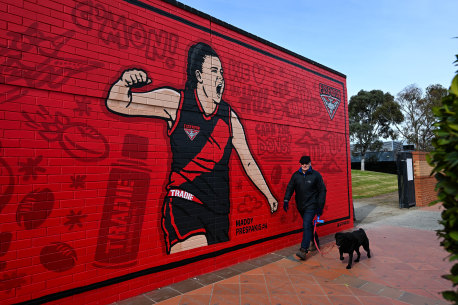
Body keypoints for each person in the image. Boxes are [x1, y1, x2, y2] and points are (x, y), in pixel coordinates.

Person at [106, 42, 278, 254]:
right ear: (198, 75)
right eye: (214, 71)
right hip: (183, 202)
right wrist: (124, 83)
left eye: (222, 73)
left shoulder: (229, 117)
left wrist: (269, 195)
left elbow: (248, 160)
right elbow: (119, 103)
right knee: (195, 256)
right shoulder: (176, 102)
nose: (220, 78)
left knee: (212, 268)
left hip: (218, 211)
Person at [283, 155, 326, 260]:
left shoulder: (316, 175)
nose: (304, 165)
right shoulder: (296, 175)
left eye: (306, 163)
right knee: (309, 226)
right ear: (300, 164)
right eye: (302, 164)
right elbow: (290, 188)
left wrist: (320, 206)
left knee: (306, 224)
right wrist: (286, 200)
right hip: (301, 205)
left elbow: (322, 191)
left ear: (310, 163)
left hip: (311, 205)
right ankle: (315, 242)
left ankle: (303, 250)